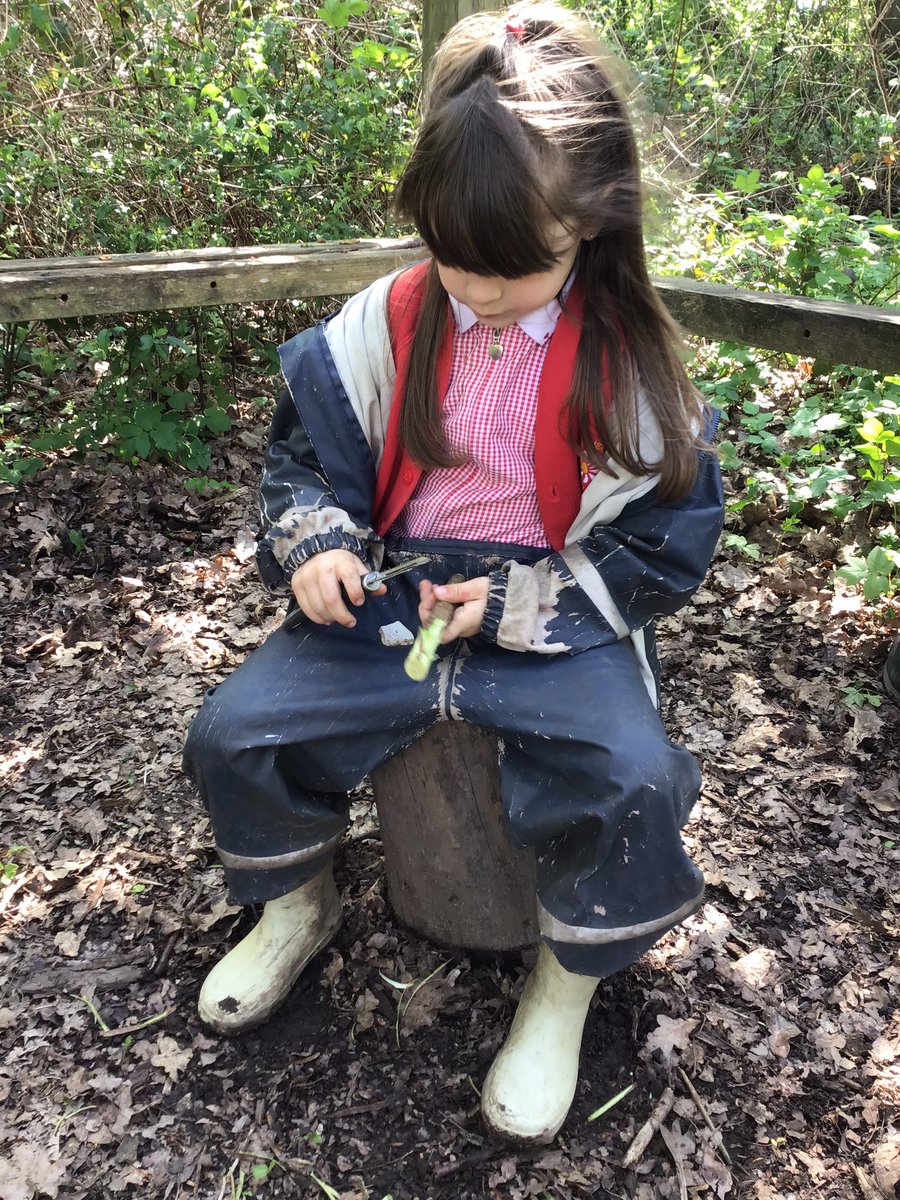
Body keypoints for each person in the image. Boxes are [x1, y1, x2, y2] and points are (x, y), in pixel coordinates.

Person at [183, 1, 724, 1144]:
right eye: (452, 260)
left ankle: (561, 992)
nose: (474, 293)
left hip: (554, 598)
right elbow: (299, 460)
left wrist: (529, 600)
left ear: (587, 228)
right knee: (235, 728)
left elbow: (666, 546)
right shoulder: (382, 322)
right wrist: (320, 540)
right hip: (394, 584)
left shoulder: (632, 370)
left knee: (631, 777)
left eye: (510, 271)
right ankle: (297, 902)